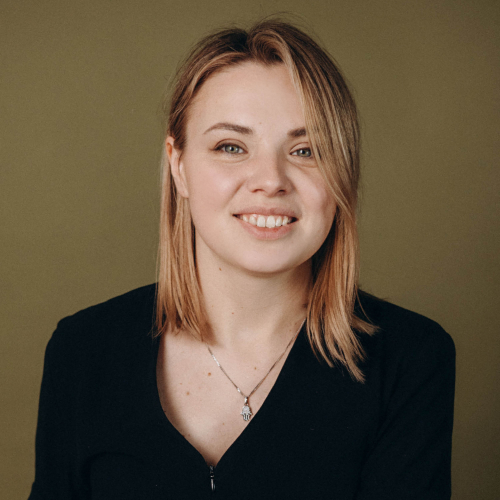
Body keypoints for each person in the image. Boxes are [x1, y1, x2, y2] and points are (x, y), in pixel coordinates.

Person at [29, 19, 456, 499]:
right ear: (178, 165)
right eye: (231, 147)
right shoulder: (83, 351)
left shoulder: (411, 360)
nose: (270, 180)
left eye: (306, 150)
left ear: (342, 174)